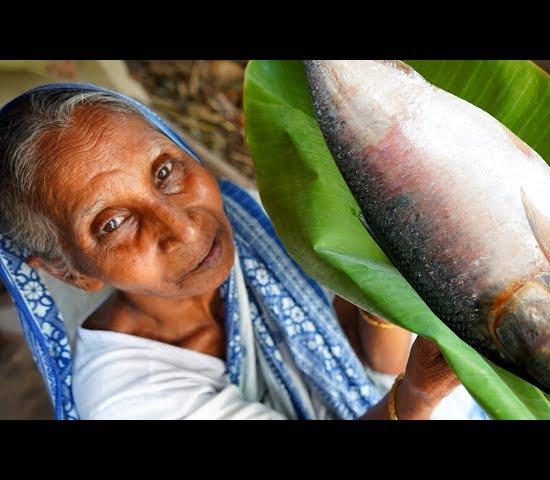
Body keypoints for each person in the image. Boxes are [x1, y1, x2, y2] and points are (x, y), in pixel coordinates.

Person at [0, 84, 487, 420]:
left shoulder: (255, 227)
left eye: (166, 171)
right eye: (112, 223)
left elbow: (365, 353)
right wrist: (420, 393)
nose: (184, 229)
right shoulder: (125, 395)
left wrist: (393, 276)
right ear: (69, 272)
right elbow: (401, 382)